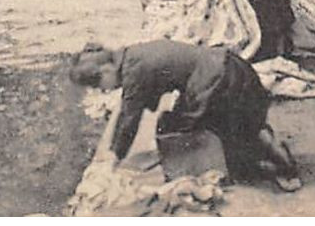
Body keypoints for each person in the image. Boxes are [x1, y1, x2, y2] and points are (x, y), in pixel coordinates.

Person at [70, 40, 300, 190]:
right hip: (230, 66)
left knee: (222, 137)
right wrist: (113, 150)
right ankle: (263, 145)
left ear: (106, 70)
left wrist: (116, 157)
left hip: (218, 83)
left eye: (100, 85)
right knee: (242, 127)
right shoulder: (131, 55)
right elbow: (125, 111)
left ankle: (282, 164)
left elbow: (130, 117)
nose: (104, 90)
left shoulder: (133, 72)